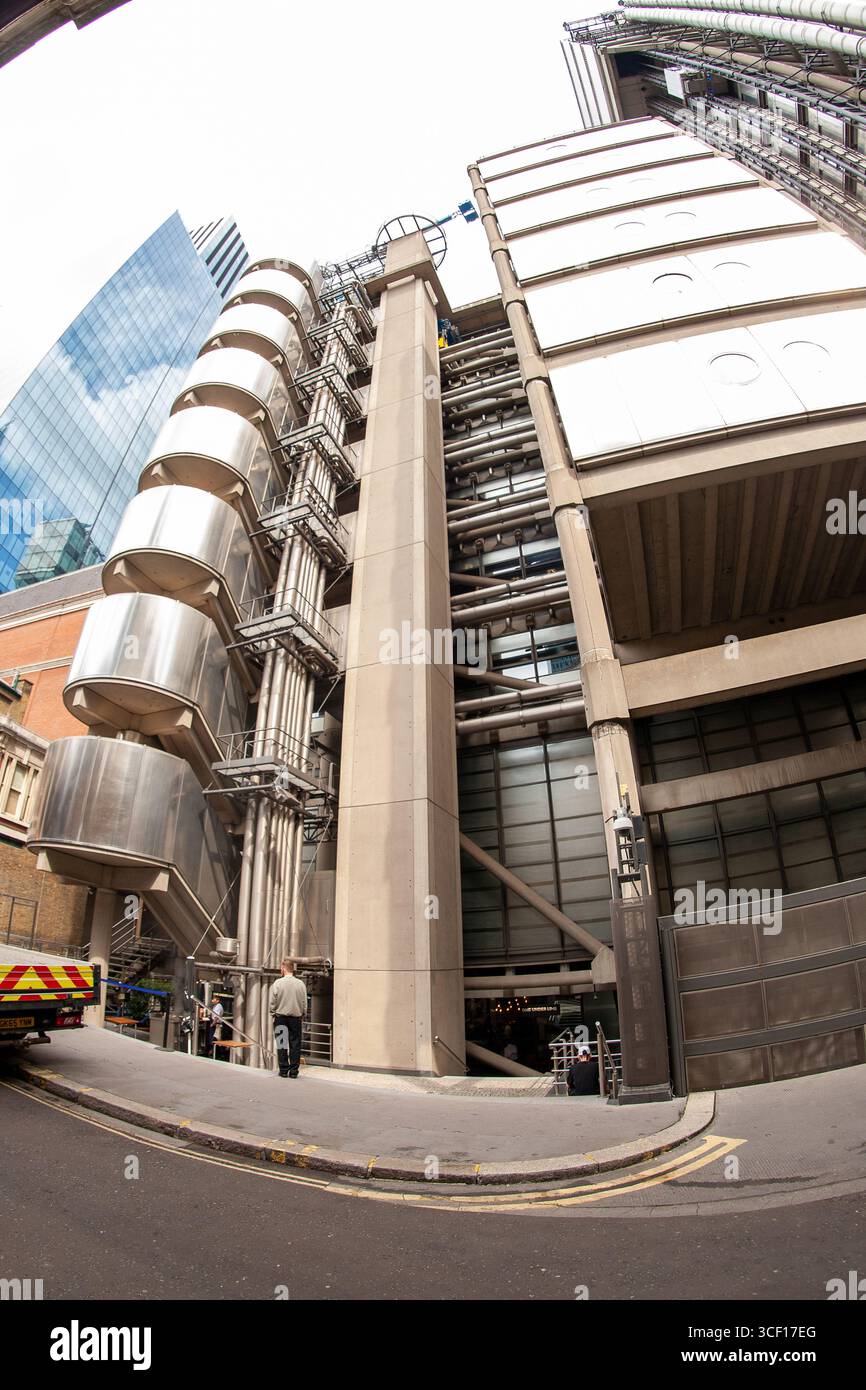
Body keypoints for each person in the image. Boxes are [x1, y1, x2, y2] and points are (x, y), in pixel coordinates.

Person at [269, 958, 308, 1079]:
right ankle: (294, 1072)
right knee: (295, 1045)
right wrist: (303, 1014)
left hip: (280, 1017)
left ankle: (284, 1070)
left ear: (284, 968)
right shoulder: (300, 984)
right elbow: (304, 1002)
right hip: (296, 1018)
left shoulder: (278, 983)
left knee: (282, 1044)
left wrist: (273, 1013)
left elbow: (273, 1002)